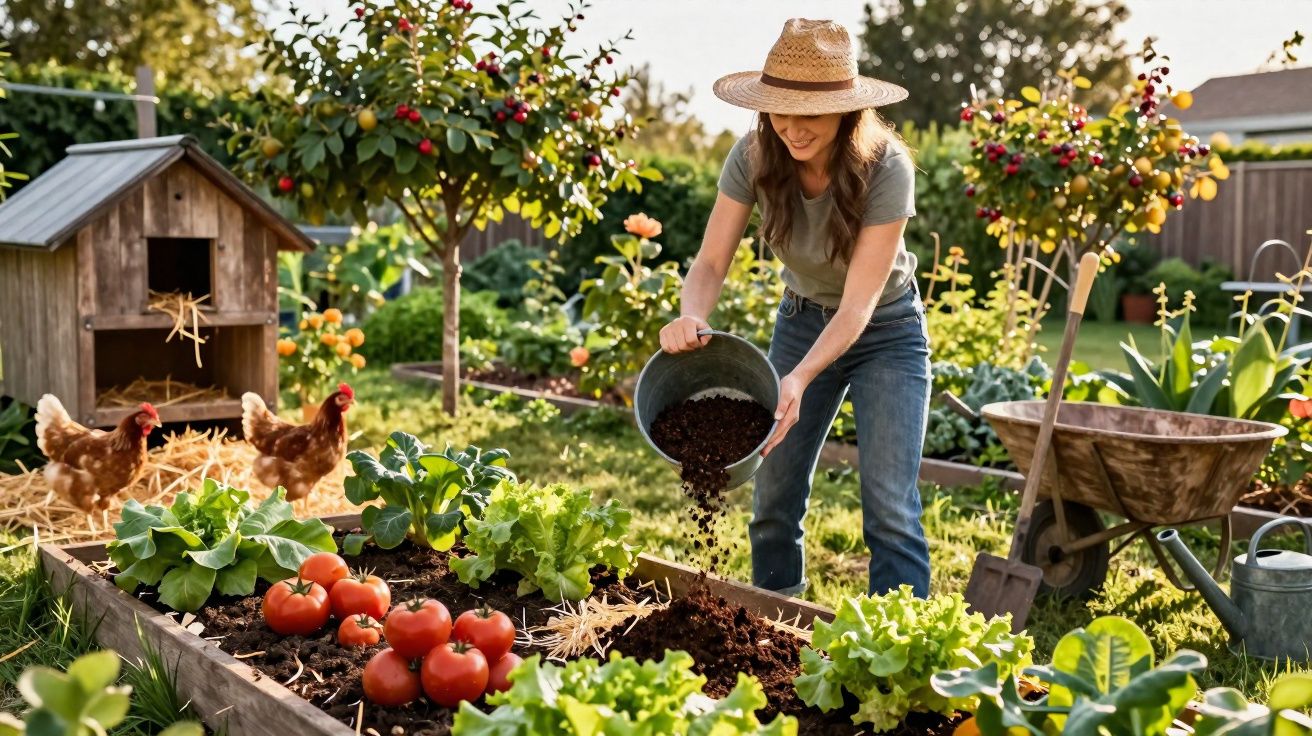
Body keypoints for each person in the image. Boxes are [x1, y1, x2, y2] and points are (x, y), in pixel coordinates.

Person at [658, 18, 931, 599]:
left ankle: (905, 652)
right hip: (801, 319)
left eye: (807, 113)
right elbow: (709, 265)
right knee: (773, 497)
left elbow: (858, 307)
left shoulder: (886, 168)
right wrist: (692, 316)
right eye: (778, 110)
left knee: (889, 509)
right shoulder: (756, 155)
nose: (791, 127)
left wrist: (801, 377)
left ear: (847, 111)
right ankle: (775, 626)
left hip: (887, 331)